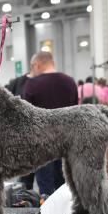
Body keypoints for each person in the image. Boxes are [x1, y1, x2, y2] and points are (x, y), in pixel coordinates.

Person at [22, 51, 78, 196]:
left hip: (42, 144)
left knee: (45, 188)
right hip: (66, 142)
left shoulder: (32, 84)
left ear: (37, 65)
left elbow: (25, 116)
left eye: (31, 67)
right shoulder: (70, 82)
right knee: (65, 186)